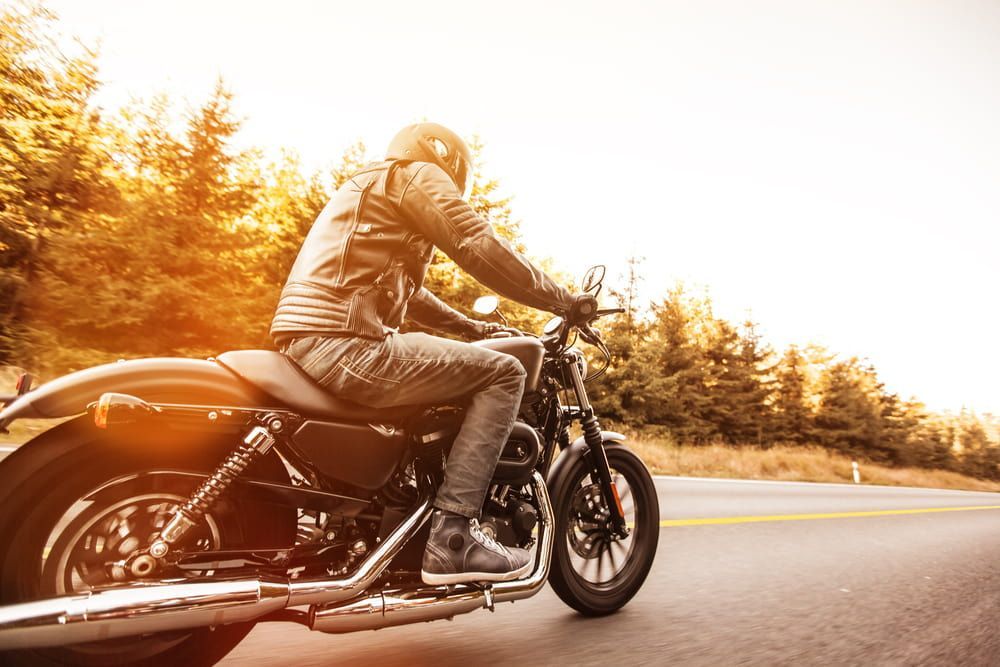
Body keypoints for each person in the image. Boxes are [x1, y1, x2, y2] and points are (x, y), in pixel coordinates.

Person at [271, 122, 594, 585]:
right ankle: (454, 537)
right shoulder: (414, 175)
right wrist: (563, 300)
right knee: (503, 374)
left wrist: (470, 326)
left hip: (310, 338)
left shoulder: (369, 187)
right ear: (447, 162)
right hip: (347, 341)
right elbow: (475, 243)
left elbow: (410, 295)